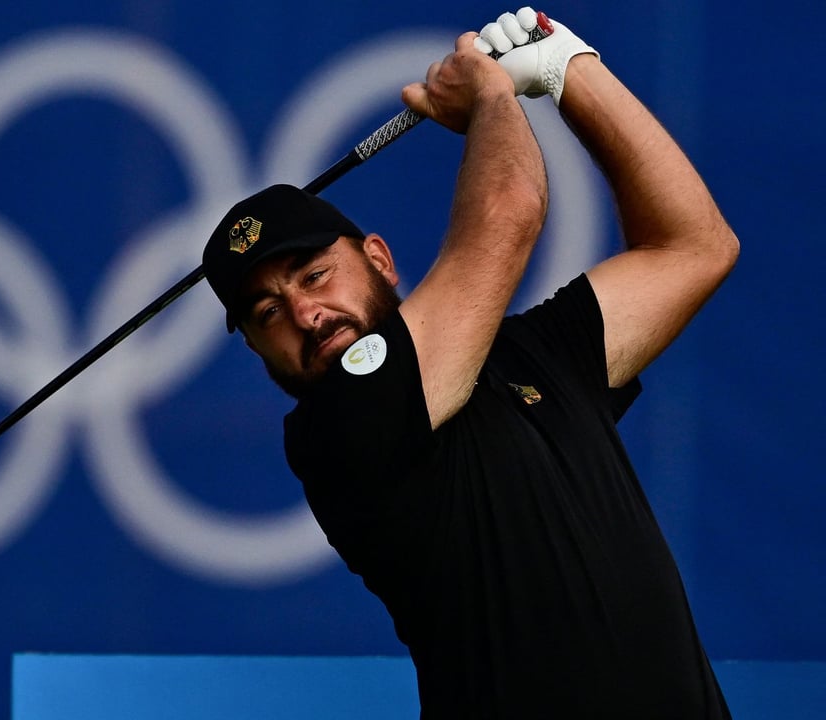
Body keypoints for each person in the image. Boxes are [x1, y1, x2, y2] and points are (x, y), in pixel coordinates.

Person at [201, 8, 738, 719]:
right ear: (254, 346)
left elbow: (694, 246)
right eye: (266, 312)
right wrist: (490, 94)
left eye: (312, 274)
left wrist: (570, 68)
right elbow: (510, 207)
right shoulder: (335, 428)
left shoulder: (536, 353)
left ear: (380, 261)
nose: (303, 313)